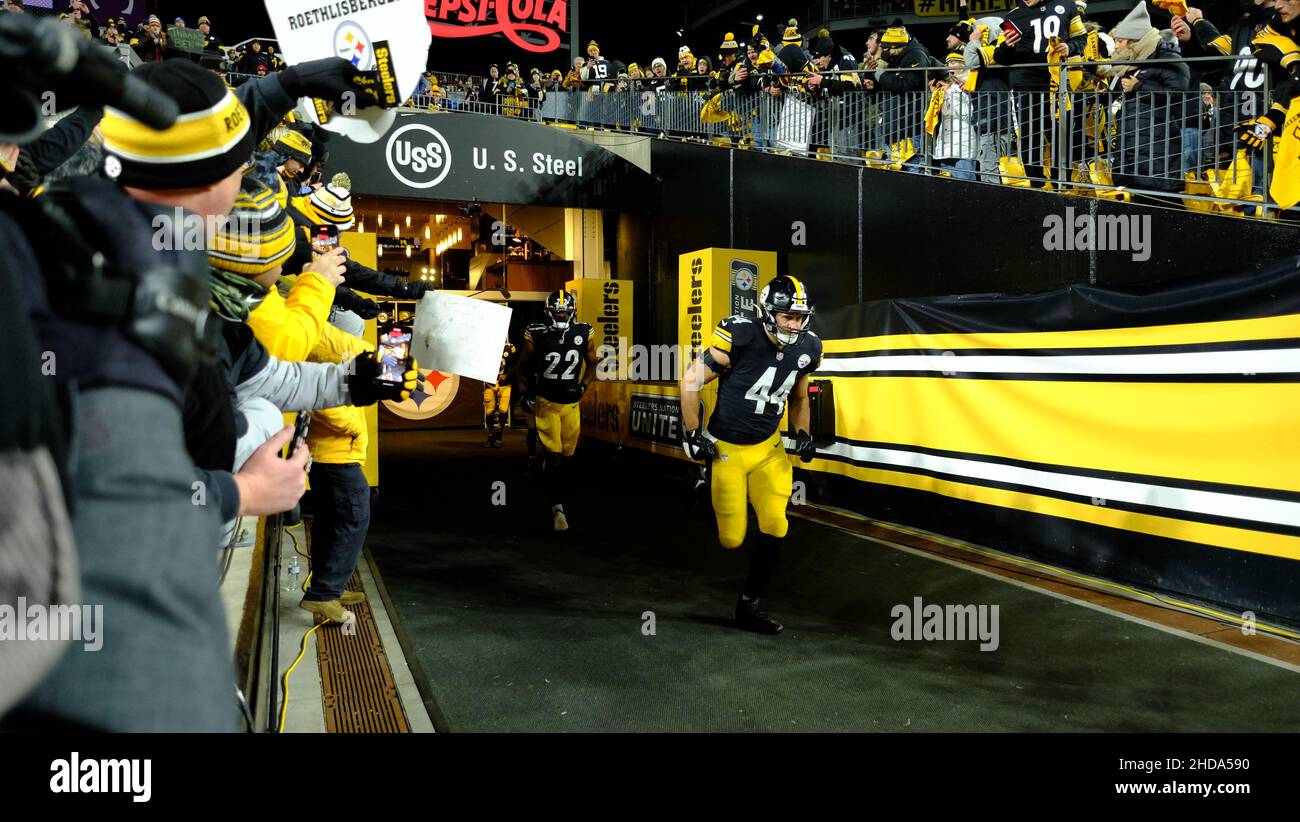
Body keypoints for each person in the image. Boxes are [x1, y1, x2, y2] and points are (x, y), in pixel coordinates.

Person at [678, 276, 822, 635]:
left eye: (800, 317)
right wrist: (693, 432)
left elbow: (800, 398)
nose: (795, 324)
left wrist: (802, 433)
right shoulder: (740, 335)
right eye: (787, 316)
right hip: (727, 447)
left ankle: (748, 606)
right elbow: (690, 381)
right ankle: (701, 492)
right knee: (731, 539)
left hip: (768, 448)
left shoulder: (809, 347)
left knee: (776, 525)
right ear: (767, 312)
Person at [516, 291, 599, 532]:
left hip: (571, 404)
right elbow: (522, 367)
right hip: (546, 403)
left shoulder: (584, 331)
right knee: (554, 456)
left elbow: (593, 362)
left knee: (568, 456)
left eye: (564, 311)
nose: (561, 315)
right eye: (557, 311)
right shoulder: (537, 333)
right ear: (548, 311)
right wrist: (525, 393)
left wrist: (584, 385)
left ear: (572, 313)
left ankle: (555, 486)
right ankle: (557, 508)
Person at [483, 340, 517, 447]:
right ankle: (490, 434)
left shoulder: (510, 347)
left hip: (505, 384)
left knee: (503, 409)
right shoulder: (485, 346)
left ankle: (499, 432)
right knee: (489, 410)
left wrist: (507, 375)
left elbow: (516, 365)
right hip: (490, 383)